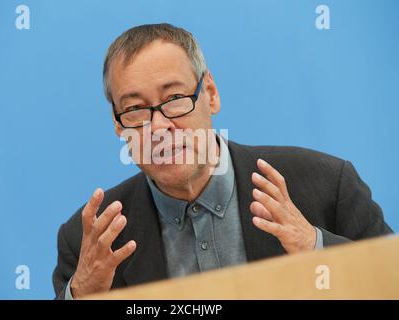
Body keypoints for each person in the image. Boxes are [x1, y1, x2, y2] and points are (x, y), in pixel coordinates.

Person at [52, 23, 392, 299]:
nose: (158, 127)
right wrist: (82, 294)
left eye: (174, 98)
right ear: (117, 123)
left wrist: (317, 250)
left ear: (210, 94)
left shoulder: (327, 185)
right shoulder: (89, 241)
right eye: (135, 109)